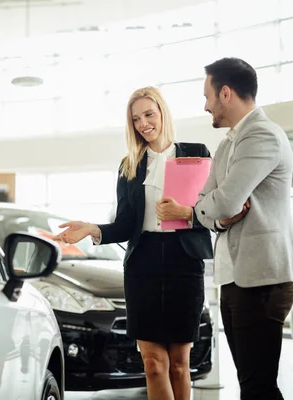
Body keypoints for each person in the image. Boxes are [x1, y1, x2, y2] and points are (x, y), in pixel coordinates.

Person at [53, 86, 213, 400]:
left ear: (163, 112)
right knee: (153, 363)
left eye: (148, 114)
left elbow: (213, 211)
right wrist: (91, 229)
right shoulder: (130, 166)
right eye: (136, 119)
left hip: (185, 263)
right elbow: (127, 225)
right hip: (144, 266)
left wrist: (187, 213)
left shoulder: (198, 154)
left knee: (180, 365)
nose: (143, 123)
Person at [192, 57, 293, 400]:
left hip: (263, 280)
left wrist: (215, 210)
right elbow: (205, 204)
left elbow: (220, 201)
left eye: (208, 95)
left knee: (257, 387)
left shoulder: (263, 135)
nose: (205, 104)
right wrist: (218, 216)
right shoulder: (227, 144)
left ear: (225, 93)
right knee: (253, 387)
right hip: (237, 278)